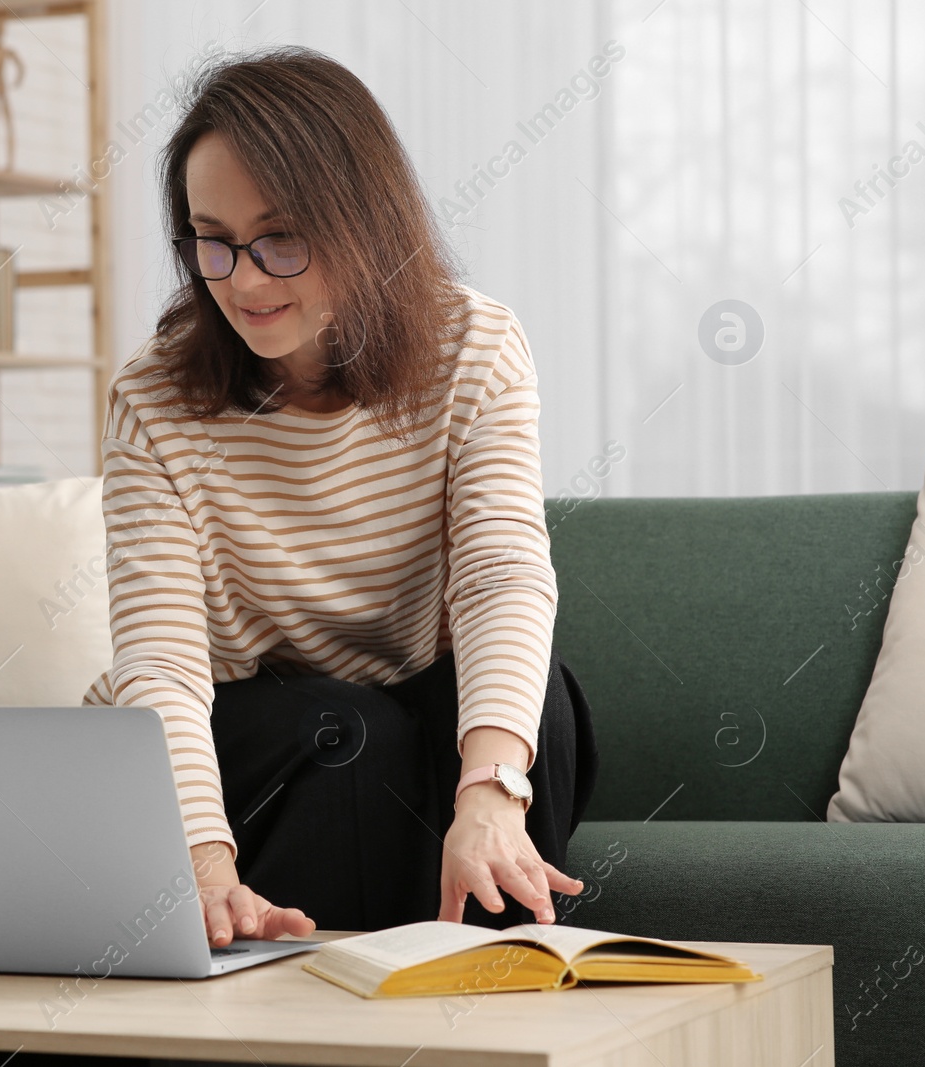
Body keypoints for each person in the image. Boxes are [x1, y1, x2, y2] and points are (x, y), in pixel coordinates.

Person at [81, 45, 600, 950]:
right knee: (343, 728)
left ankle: (497, 992)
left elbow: (500, 576)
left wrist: (490, 795)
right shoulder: (153, 398)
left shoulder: (474, 346)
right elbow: (162, 664)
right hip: (252, 723)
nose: (242, 279)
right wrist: (202, 866)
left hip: (419, 706)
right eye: (214, 239)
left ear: (364, 223)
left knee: (532, 707)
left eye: (281, 238)